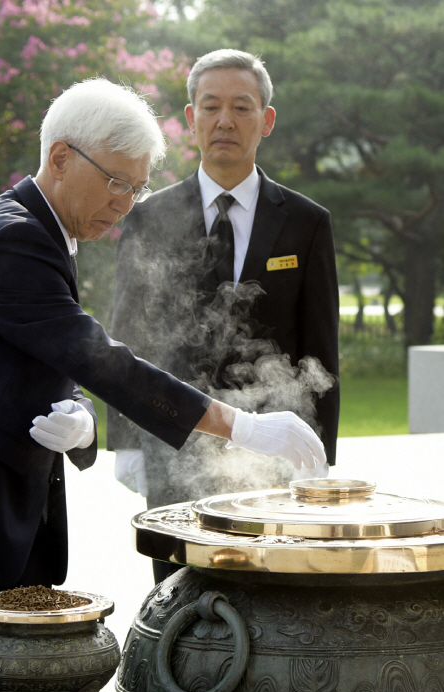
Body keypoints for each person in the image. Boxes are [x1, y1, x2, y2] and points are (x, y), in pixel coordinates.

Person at [0, 77, 326, 692]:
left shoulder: (43, 232)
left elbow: (47, 354)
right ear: (60, 158)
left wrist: (78, 418)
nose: (126, 201)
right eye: (116, 181)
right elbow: (101, 357)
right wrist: (241, 428)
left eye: (136, 187)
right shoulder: (12, 237)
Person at [108, 48, 340, 587]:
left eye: (242, 107)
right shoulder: (148, 218)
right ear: (190, 119)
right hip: (173, 444)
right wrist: (125, 441)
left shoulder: (307, 223)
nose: (225, 121)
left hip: (276, 454)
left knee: (271, 605)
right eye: (210, 106)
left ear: (267, 119)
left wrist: (321, 454)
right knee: (176, 601)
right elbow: (128, 336)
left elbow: (320, 352)